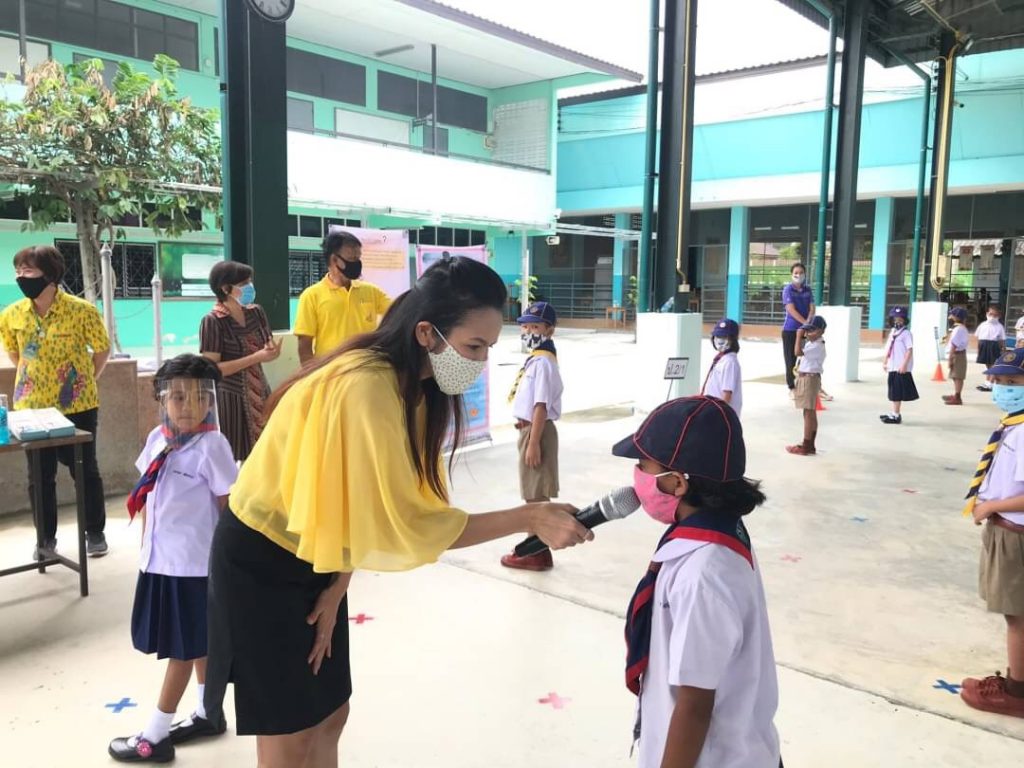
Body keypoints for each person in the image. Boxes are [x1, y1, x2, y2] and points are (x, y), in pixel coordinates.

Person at [203, 255, 591, 768]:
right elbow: (409, 521)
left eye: (488, 349)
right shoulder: (367, 385)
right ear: (427, 332)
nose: (479, 363)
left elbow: (354, 500)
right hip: (262, 559)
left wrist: (338, 581)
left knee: (330, 714)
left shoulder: (415, 388)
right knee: (290, 732)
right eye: (474, 346)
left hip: (318, 548)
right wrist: (530, 517)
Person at [615, 396, 780, 768]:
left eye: (643, 466)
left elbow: (694, 706)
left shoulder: (703, 573)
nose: (637, 475)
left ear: (676, 483)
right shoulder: (714, 531)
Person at [109, 355, 238, 763]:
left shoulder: (212, 446)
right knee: (196, 640)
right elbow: (149, 496)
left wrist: (230, 567)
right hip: (161, 562)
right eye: (177, 396)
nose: (186, 405)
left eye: (198, 397)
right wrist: (145, 549)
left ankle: (155, 735)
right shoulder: (157, 439)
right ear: (162, 400)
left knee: (181, 650)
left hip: (194, 567)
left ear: (210, 402)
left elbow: (229, 509)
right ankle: (208, 713)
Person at [0, 245, 110, 558]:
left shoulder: (82, 311)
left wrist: (85, 380)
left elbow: (102, 349)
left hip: (78, 406)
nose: (21, 277)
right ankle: (45, 540)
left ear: (50, 274)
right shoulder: (11, 315)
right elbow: (15, 354)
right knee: (39, 476)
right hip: (31, 408)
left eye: (28, 270)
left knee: (84, 470)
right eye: (18, 270)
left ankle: (95, 532)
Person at [960, 347, 1024, 719]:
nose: (1003, 388)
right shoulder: (1013, 424)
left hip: (1015, 535)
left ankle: (1016, 692)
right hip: (1008, 529)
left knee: (1016, 616)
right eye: (998, 380)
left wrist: (989, 506)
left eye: (1013, 382)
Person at [500, 301, 565, 572]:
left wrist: (534, 442)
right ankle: (537, 549)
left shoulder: (544, 363)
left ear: (549, 330)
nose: (528, 331)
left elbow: (540, 405)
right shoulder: (537, 359)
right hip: (530, 429)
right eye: (525, 326)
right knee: (533, 493)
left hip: (536, 430)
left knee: (535, 495)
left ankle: (535, 551)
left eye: (535, 326)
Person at [199, 261, 282, 461]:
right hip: (231, 398)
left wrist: (272, 352)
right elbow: (212, 369)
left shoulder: (256, 312)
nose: (249, 287)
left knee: (266, 452)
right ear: (225, 288)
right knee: (235, 455)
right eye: (243, 284)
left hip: (260, 391)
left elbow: (266, 348)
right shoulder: (213, 321)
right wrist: (256, 357)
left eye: (249, 282)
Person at [293, 230, 391, 365]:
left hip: (365, 369)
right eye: (352, 259)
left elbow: (399, 310)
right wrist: (311, 374)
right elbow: (304, 346)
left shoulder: (372, 291)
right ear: (334, 260)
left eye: (358, 258)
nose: (357, 264)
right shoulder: (311, 296)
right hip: (331, 371)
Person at [786, 316, 826, 456]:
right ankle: (809, 444)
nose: (808, 333)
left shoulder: (817, 345)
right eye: (807, 331)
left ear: (821, 331)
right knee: (809, 412)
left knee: (808, 413)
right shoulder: (812, 343)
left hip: (809, 379)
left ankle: (806, 445)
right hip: (808, 378)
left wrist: (798, 336)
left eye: (812, 330)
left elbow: (797, 352)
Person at [780, 262, 815, 397]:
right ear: (792, 274)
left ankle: (805, 385)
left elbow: (812, 308)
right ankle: (791, 387)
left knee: (806, 358)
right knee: (791, 359)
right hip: (791, 329)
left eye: (801, 273)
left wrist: (809, 322)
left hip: (806, 330)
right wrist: (805, 322)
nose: (798, 275)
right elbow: (791, 309)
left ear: (805, 274)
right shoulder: (788, 290)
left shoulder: (808, 290)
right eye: (796, 273)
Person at [880, 306, 919, 425]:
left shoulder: (906, 334)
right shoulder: (893, 332)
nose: (897, 321)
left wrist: (904, 365)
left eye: (900, 319)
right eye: (895, 319)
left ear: (904, 320)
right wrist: (885, 361)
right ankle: (894, 412)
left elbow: (909, 350)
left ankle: (896, 415)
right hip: (892, 366)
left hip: (899, 367)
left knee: (897, 392)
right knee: (892, 391)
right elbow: (889, 347)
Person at [701, 318, 743, 418]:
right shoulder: (722, 359)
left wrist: (719, 415)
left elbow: (727, 393)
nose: (720, 340)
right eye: (718, 336)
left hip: (721, 414)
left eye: (724, 337)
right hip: (713, 409)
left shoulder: (730, 362)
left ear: (733, 339)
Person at [975, 304, 1006, 393]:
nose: (992, 317)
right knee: (988, 365)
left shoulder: (999, 326)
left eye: (995, 315)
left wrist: (1002, 349)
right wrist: (978, 348)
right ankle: (987, 382)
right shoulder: (983, 325)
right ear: (987, 314)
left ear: (999, 316)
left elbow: (1001, 339)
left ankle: (991, 384)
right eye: (990, 314)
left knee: (994, 365)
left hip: (994, 345)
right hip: (983, 344)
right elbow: (978, 337)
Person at [944, 307, 970, 405]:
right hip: (959, 354)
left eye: (952, 315)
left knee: (958, 376)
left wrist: (950, 359)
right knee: (955, 376)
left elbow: (954, 345)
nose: (950, 317)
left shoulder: (959, 329)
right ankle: (956, 394)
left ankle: (958, 397)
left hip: (957, 355)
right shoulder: (961, 328)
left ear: (957, 317)